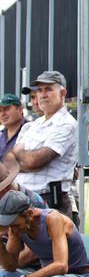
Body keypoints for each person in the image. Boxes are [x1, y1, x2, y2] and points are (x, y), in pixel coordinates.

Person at [5, 71, 77, 218]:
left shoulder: (67, 124)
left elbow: (34, 161)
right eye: (39, 90)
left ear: (62, 93)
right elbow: (10, 162)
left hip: (50, 201)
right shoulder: (31, 125)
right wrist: (22, 159)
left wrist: (21, 158)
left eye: (48, 89)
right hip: (22, 199)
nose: (42, 95)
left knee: (49, 240)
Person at [0, 191, 89, 277]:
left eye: (16, 225)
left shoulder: (53, 219)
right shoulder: (15, 229)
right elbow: (10, 267)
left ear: (29, 214)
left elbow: (61, 266)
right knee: (2, 276)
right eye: (10, 226)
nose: (13, 230)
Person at [0, 95, 27, 160]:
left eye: (6, 109)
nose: (2, 114)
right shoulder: (1, 134)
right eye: (0, 111)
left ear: (20, 110)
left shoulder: (31, 130)